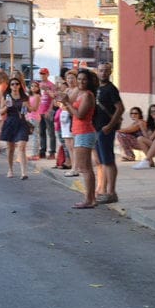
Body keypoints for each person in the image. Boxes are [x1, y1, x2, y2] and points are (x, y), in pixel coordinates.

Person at [62, 69, 97, 208]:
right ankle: (90, 198)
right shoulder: (80, 93)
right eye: (79, 78)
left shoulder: (87, 95)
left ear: (89, 81)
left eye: (84, 79)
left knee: (85, 168)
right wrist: (66, 102)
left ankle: (89, 199)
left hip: (85, 131)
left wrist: (67, 103)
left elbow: (80, 114)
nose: (81, 81)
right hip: (79, 132)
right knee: (85, 167)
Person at [93, 62, 125, 204]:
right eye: (101, 71)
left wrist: (110, 125)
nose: (103, 73)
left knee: (108, 161)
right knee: (101, 161)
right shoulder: (96, 88)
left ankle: (111, 192)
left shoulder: (111, 89)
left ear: (110, 72)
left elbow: (120, 108)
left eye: (106, 71)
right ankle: (104, 190)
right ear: (97, 72)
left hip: (106, 129)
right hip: (97, 129)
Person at [0, 76, 31, 179]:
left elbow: (29, 110)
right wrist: (7, 106)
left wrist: (27, 106)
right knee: (10, 148)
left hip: (21, 122)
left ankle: (24, 172)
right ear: (10, 86)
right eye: (12, 84)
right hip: (10, 122)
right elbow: (1, 112)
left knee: (21, 146)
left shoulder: (24, 97)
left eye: (17, 84)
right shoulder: (6, 96)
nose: (15, 86)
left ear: (20, 86)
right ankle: (10, 169)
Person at [35, 67, 57, 159]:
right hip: (40, 111)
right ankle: (42, 151)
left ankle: (52, 152)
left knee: (51, 132)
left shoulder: (51, 85)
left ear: (47, 74)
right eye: (41, 73)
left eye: (44, 73)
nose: (42, 75)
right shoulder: (38, 85)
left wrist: (50, 110)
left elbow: (54, 97)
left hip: (48, 111)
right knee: (41, 132)